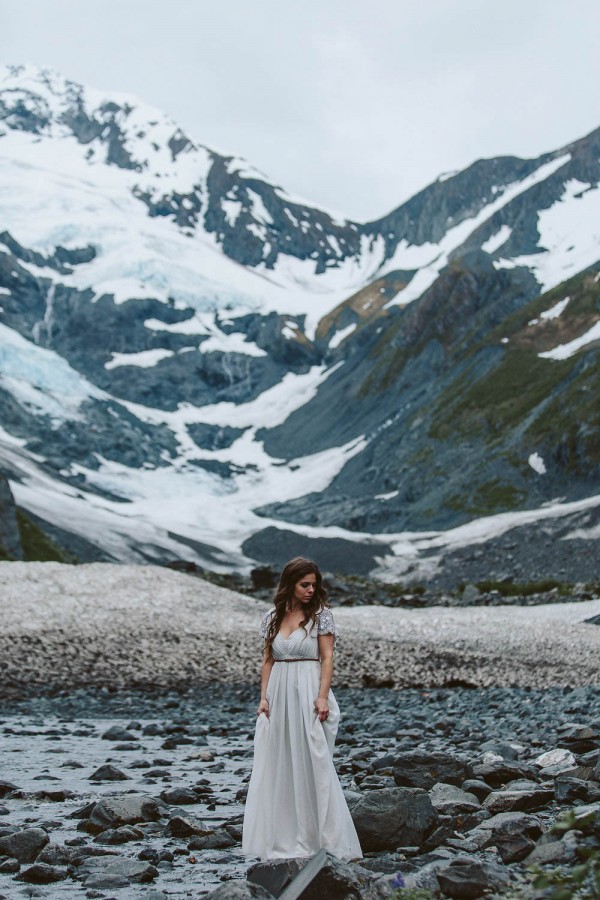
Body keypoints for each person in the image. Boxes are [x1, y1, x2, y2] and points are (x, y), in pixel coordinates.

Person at [242, 557, 362, 861]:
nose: (310, 590)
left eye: (313, 584)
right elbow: (267, 659)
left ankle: (321, 837)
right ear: (290, 585)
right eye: (304, 584)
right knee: (280, 759)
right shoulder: (272, 616)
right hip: (279, 693)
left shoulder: (322, 616)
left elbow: (328, 658)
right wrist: (263, 698)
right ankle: (282, 836)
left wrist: (322, 697)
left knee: (313, 760)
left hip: (309, 689)